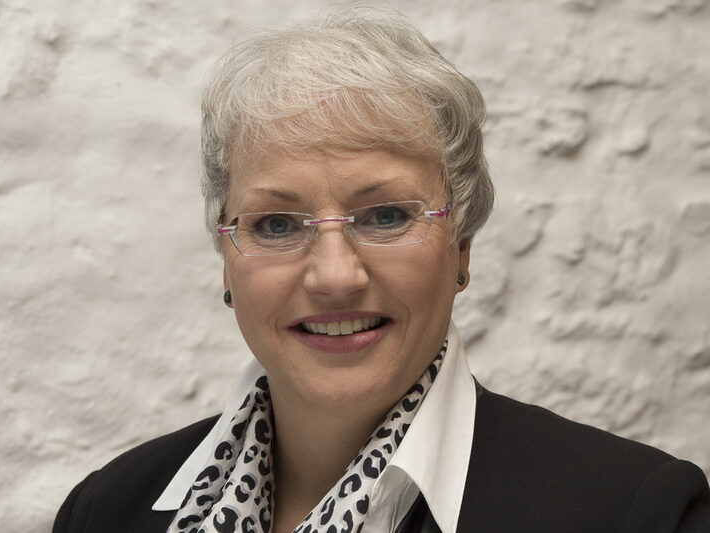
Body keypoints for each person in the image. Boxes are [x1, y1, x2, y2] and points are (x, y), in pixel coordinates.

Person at [53, 7, 710, 533]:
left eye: (387, 215)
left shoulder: (633, 512)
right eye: (277, 225)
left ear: (462, 247)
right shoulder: (106, 511)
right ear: (227, 260)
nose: (335, 276)